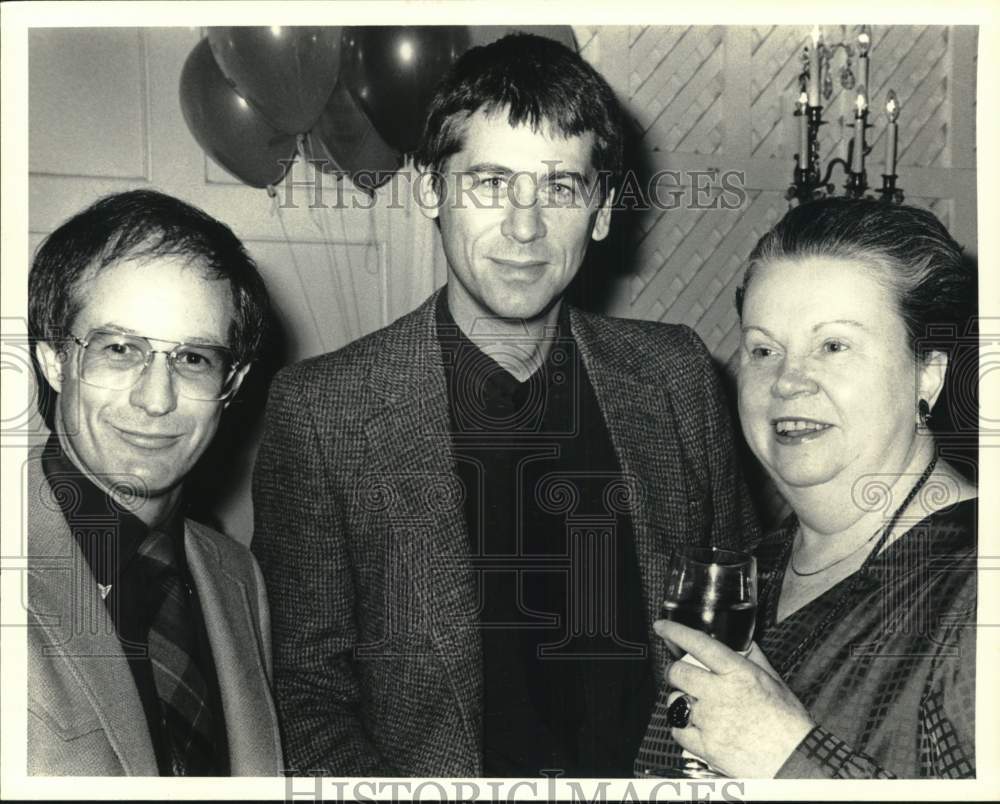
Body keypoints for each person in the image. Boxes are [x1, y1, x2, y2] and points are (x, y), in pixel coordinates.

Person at [252, 34, 758, 778]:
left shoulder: (676, 374)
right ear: (431, 189)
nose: (525, 229)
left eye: (559, 188)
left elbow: (737, 613)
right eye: (490, 183)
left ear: (603, 209)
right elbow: (303, 693)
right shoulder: (324, 412)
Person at [635, 198, 977, 779]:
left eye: (834, 346)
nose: (788, 381)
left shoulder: (972, 591)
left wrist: (787, 757)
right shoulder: (750, 573)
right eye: (764, 350)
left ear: (929, 374)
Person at [26, 190, 282, 776]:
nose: (157, 399)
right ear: (54, 360)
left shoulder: (237, 577)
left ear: (233, 380)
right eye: (120, 349)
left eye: (193, 358)